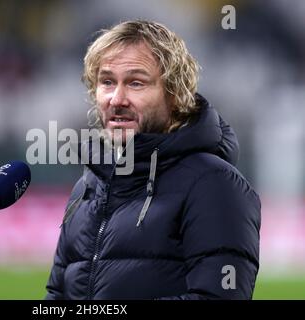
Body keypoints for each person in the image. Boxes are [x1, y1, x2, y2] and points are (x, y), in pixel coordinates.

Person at [45, 20, 261, 300]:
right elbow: (55, 296)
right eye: (107, 82)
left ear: (175, 95)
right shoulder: (88, 186)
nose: (117, 99)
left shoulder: (215, 184)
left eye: (136, 83)